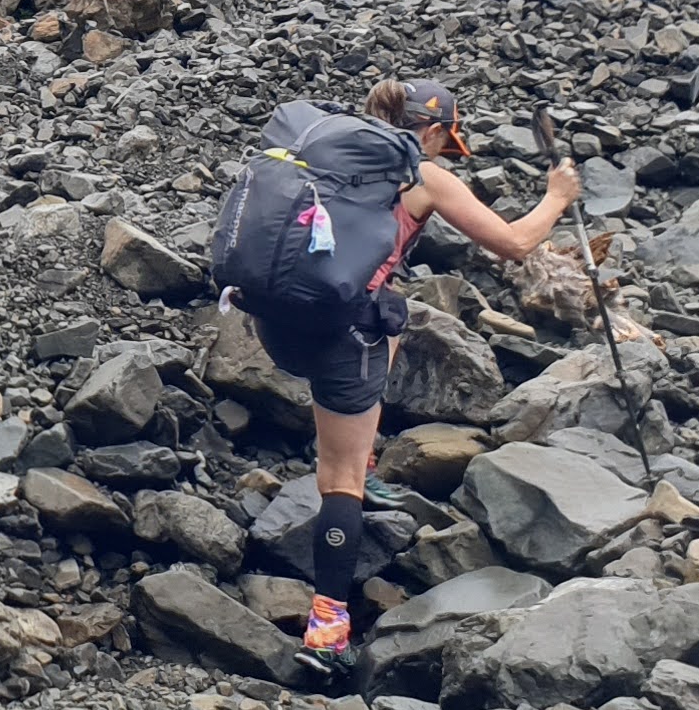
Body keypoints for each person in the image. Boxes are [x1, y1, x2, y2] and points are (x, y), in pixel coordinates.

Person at [227, 77, 580, 666]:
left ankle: (362, 453)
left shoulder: (316, 149)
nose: (444, 152)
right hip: (342, 338)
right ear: (435, 129)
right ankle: (328, 629)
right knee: (338, 478)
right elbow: (516, 244)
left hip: (276, 322)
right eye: (446, 140)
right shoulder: (422, 176)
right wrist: (558, 196)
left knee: (395, 320)